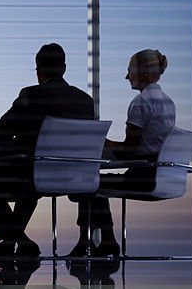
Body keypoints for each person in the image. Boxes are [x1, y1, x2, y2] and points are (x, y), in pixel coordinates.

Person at [0, 43, 95, 258]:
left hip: (35, 174)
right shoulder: (85, 101)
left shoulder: (32, 95)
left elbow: (4, 129)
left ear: (38, 69)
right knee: (29, 177)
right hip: (76, 178)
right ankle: (13, 242)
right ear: (64, 68)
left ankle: (16, 239)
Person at [69, 48, 176, 257]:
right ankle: (105, 242)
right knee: (94, 183)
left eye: (130, 71)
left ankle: (88, 243)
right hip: (161, 174)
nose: (127, 76)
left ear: (143, 72)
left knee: (86, 184)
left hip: (143, 176)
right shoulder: (168, 102)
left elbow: (131, 151)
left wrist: (103, 143)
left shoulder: (141, 102)